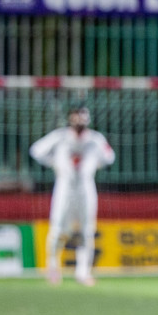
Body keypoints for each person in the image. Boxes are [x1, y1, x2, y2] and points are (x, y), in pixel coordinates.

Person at [29, 105, 114, 287]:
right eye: (76, 116)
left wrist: (95, 164)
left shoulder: (95, 139)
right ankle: (52, 269)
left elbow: (109, 157)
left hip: (86, 187)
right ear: (70, 118)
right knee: (58, 228)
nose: (80, 120)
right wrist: (53, 163)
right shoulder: (60, 136)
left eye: (83, 117)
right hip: (64, 187)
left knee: (87, 230)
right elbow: (36, 150)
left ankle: (83, 272)